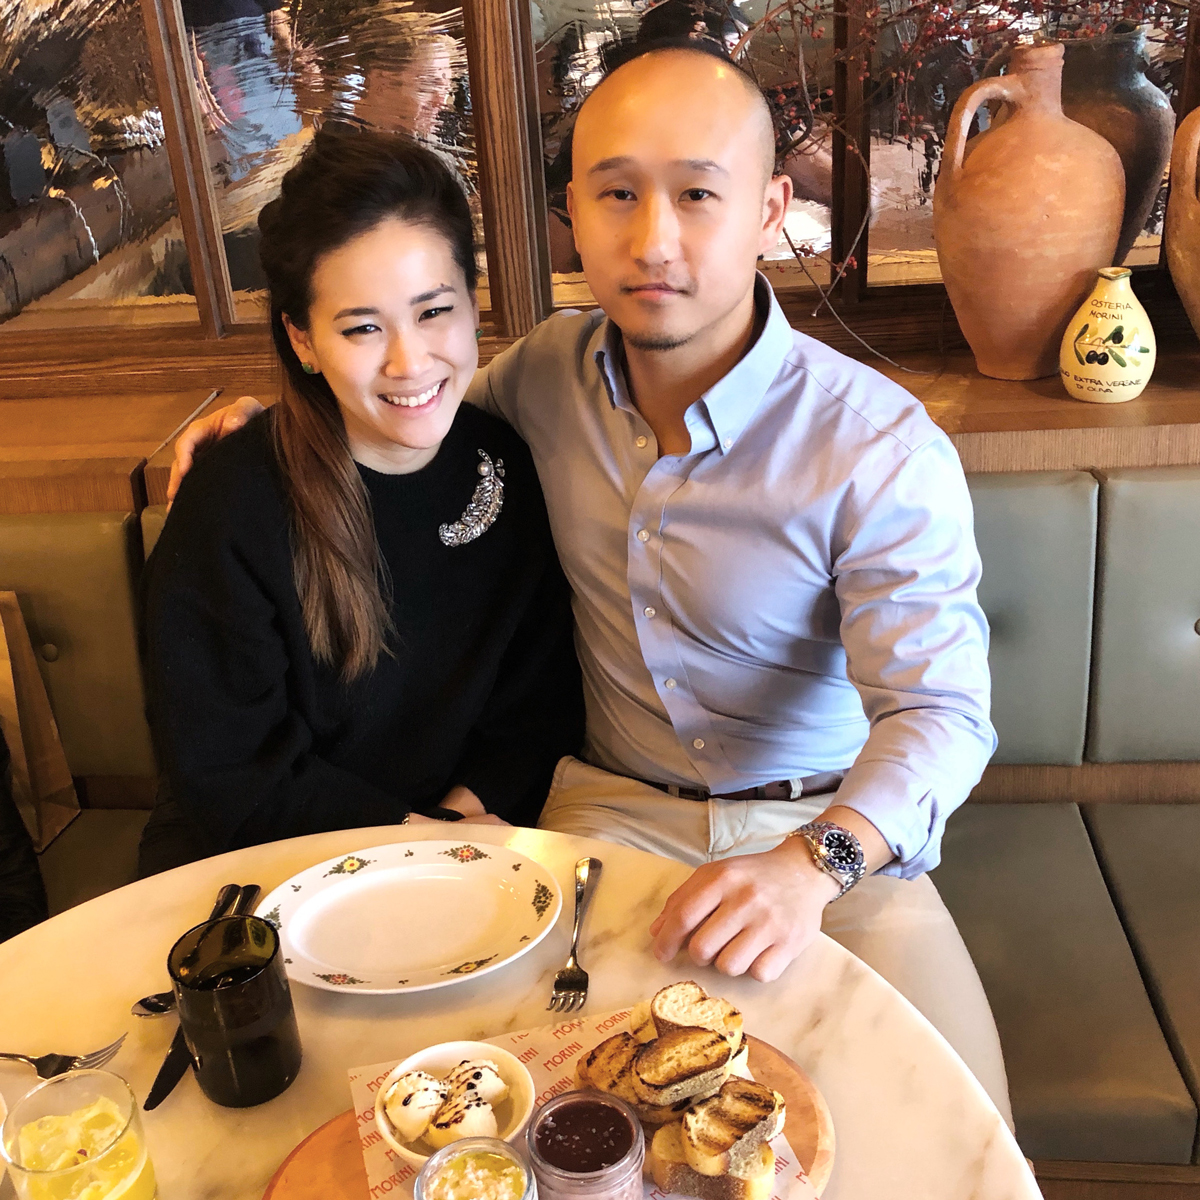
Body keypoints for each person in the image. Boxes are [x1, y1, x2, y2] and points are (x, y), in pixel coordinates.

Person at [169, 44, 1011, 1121]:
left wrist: (811, 866)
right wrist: (256, 427)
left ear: (770, 209)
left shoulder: (876, 449)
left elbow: (941, 711)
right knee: (535, 1127)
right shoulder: (538, 383)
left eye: (698, 194)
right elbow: (396, 392)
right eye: (618, 193)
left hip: (832, 840)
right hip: (600, 829)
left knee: (962, 1135)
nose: (653, 240)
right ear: (573, 208)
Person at [138, 128, 583, 876]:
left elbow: (539, 705)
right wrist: (424, 843)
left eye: (434, 311)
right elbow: (230, 776)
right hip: (258, 873)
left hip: (467, 848)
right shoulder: (232, 505)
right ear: (302, 340)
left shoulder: (505, 461)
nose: (410, 361)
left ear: (472, 306)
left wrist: (452, 831)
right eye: (364, 328)